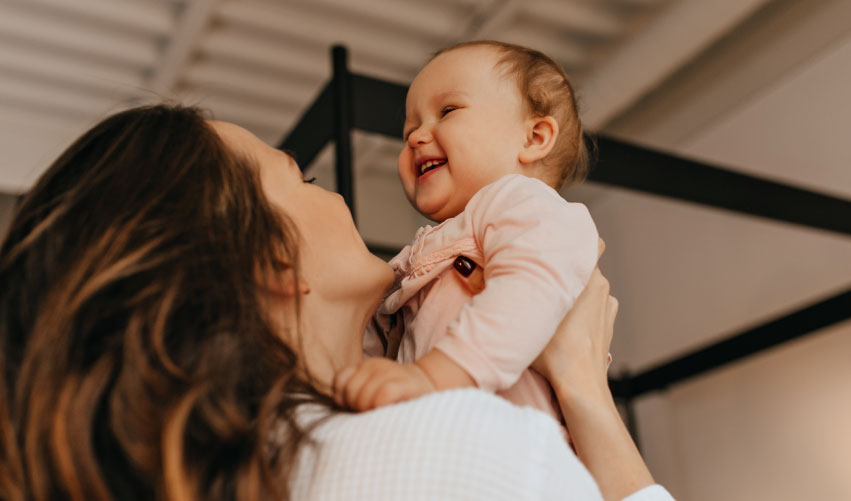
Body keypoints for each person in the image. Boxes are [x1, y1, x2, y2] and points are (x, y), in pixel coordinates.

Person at [0, 105, 672, 500]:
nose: (332, 195)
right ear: (273, 256)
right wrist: (586, 392)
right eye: (302, 177)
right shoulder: (449, 445)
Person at [338, 41, 599, 427]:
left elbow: (528, 292)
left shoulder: (528, 206)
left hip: (517, 446)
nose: (415, 137)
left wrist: (433, 375)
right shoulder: (427, 248)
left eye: (448, 111)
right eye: (409, 128)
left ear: (534, 138)